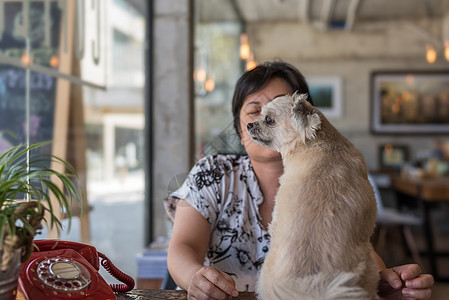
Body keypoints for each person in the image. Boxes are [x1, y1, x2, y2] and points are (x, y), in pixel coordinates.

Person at [165, 62, 434, 300]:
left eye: (274, 113)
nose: (261, 120)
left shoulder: (336, 179)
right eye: (253, 111)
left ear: (305, 119)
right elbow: (182, 247)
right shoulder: (211, 173)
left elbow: (353, 247)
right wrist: (194, 277)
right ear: (239, 127)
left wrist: (382, 281)